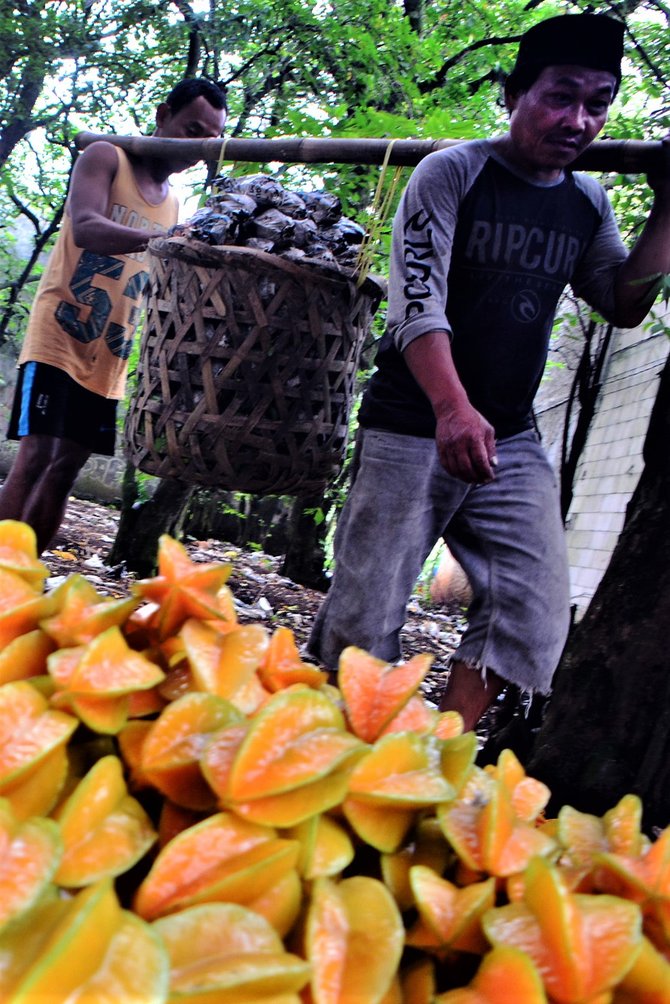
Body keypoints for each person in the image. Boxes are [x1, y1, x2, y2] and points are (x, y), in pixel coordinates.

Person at [307, 13, 670, 732]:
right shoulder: (453, 173)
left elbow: (622, 302)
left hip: (510, 437)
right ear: (513, 94)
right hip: (412, 423)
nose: (578, 119)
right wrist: (450, 407)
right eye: (560, 95)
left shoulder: (586, 201)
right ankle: (334, 761)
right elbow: (416, 306)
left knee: (532, 613)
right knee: (364, 620)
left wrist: (668, 203)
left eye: (598, 102)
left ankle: (441, 757)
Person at [0, 77, 227, 553]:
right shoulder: (106, 157)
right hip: (59, 336)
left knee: (65, 469)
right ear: (163, 114)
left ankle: (24, 580)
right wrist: (162, 240)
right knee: (36, 456)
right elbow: (85, 228)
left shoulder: (173, 204)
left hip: (111, 354)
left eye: (208, 141)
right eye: (191, 130)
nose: (197, 148)